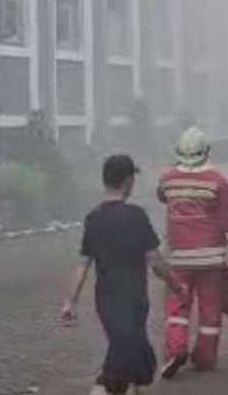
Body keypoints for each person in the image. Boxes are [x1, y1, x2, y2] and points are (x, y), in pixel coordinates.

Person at [60, 154, 183, 395]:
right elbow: (155, 260)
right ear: (127, 182)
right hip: (134, 300)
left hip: (106, 302)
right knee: (126, 360)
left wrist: (70, 301)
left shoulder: (94, 219)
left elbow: (83, 264)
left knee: (129, 358)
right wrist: (175, 284)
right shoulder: (136, 216)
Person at [158, 128, 228, 378]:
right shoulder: (218, 180)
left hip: (179, 258)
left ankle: (175, 350)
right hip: (212, 259)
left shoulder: (167, 179)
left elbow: (162, 196)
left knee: (177, 307)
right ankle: (205, 358)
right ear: (206, 152)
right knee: (210, 308)